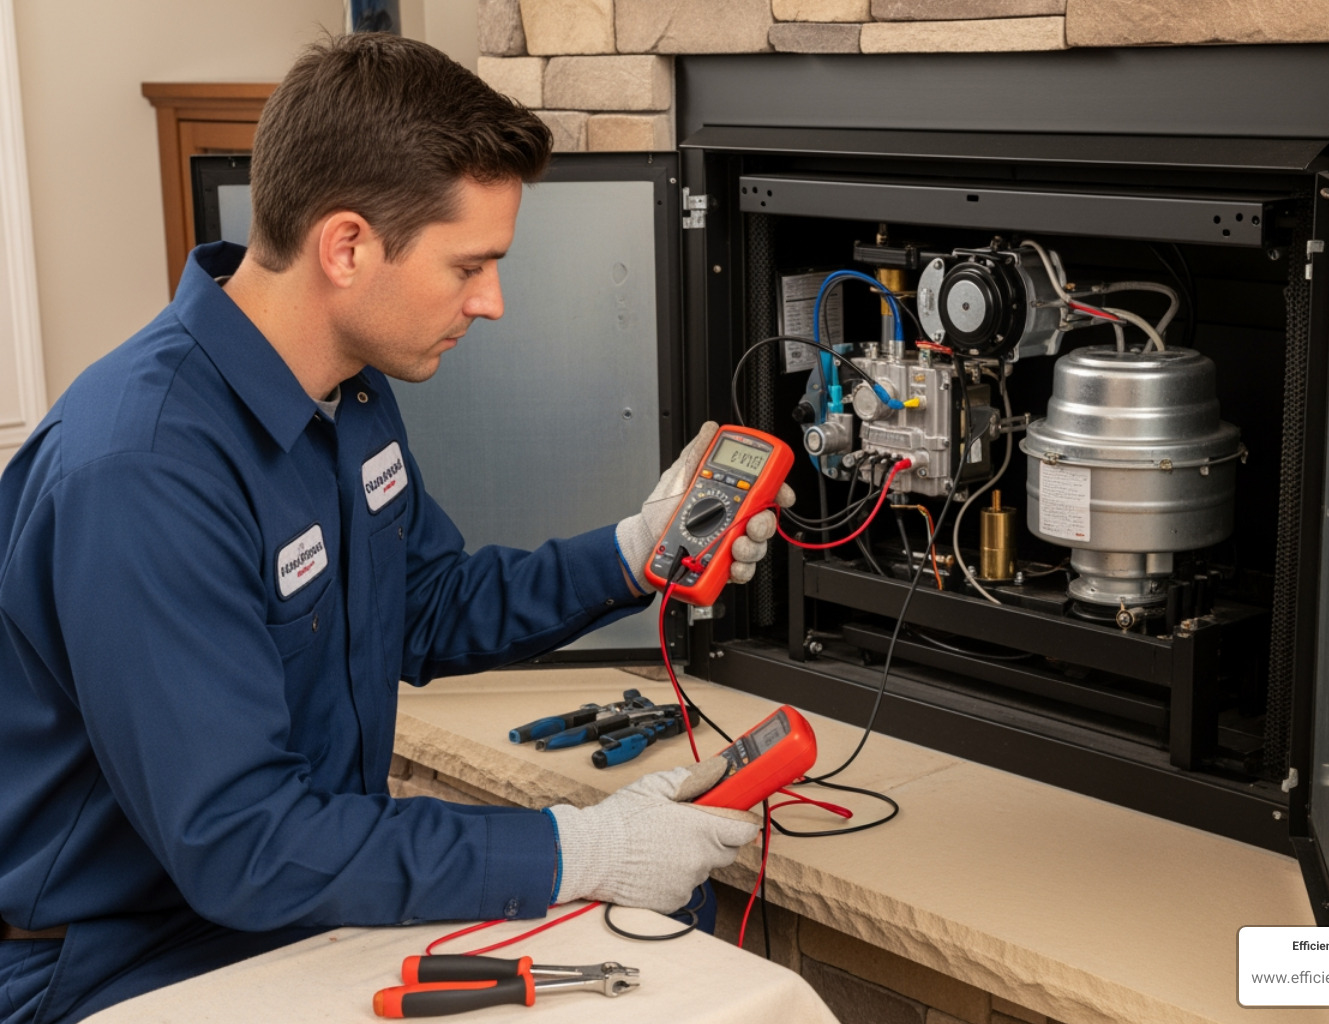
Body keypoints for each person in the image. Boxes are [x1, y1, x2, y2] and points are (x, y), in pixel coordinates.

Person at [0, 33, 786, 1024]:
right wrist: (578, 848)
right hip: (126, 960)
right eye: (470, 265)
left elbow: (420, 602)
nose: (491, 301)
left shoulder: (348, 389)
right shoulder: (144, 468)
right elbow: (246, 843)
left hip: (280, 898)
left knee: (671, 906)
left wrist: (636, 551)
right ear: (347, 246)